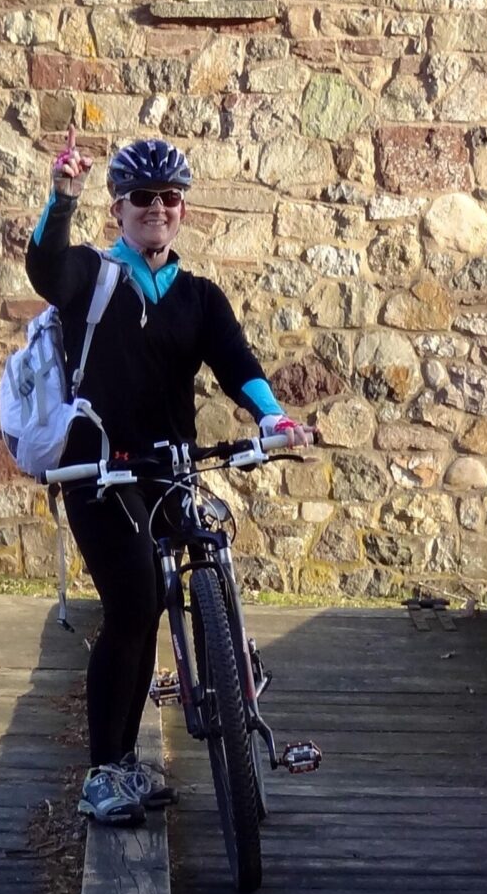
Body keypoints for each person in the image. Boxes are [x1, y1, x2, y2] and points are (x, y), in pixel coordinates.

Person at [26, 133, 308, 826]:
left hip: (171, 466)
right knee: (132, 603)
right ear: (118, 209)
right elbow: (45, 269)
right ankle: (105, 770)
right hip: (98, 470)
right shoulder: (92, 276)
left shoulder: (198, 297)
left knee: (195, 566)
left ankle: (233, 704)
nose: (157, 209)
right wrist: (61, 200)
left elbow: (235, 362)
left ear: (183, 210)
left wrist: (272, 417)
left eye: (169, 199)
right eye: (142, 199)